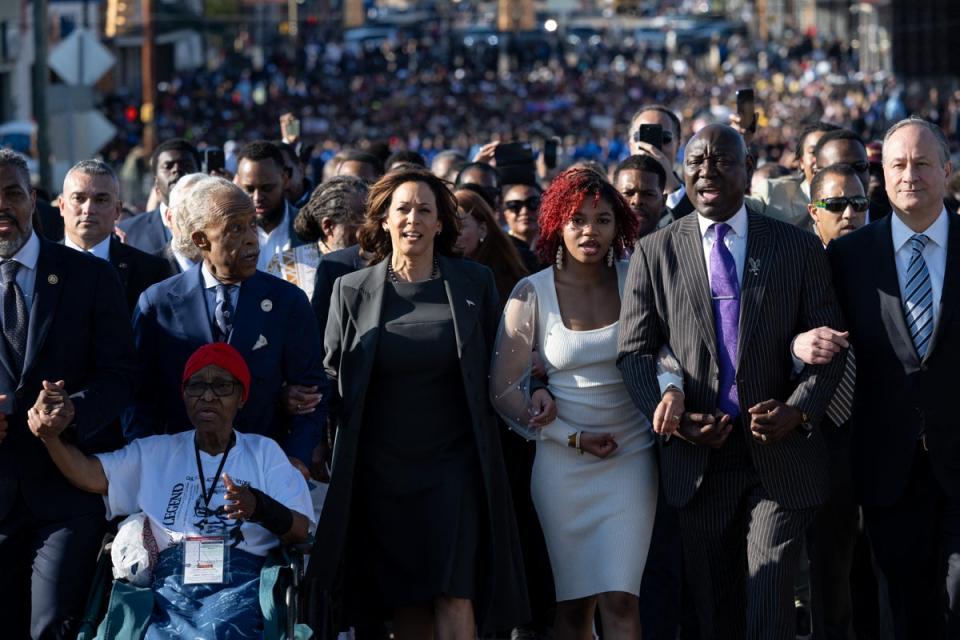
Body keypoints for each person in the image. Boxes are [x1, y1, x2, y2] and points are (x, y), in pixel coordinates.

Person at [617, 124, 846, 639]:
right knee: (715, 610)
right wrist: (672, 419)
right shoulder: (655, 253)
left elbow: (829, 348)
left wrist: (799, 408)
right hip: (700, 461)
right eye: (695, 161)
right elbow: (633, 353)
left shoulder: (794, 247)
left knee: (767, 593)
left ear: (747, 169)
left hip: (780, 457)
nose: (707, 171)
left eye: (721, 160)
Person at [308, 166, 529, 638]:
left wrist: (539, 391)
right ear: (383, 220)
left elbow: (501, 369)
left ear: (439, 223)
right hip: (382, 469)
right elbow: (329, 373)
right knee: (406, 601)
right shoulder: (351, 290)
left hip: (456, 465)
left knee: (456, 592)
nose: (413, 219)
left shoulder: (475, 283)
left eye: (424, 210)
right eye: (402, 209)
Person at [30, 342, 314, 639]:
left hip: (239, 584)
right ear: (184, 394)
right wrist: (51, 438)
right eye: (196, 386)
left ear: (242, 397)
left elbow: (300, 531)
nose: (207, 396)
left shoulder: (264, 453)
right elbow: (89, 474)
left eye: (222, 386)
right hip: (169, 588)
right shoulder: (156, 451)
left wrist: (260, 507)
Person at [491, 166, 657, 639]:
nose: (590, 231)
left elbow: (666, 354)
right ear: (556, 224)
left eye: (603, 219)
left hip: (632, 456)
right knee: (573, 606)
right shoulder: (531, 292)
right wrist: (572, 436)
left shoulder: (638, 278)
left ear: (618, 226)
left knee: (622, 599)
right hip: (563, 463)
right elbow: (503, 391)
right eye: (577, 219)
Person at [827, 117, 960, 639]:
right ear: (882, 174)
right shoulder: (849, 257)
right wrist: (799, 345)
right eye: (898, 165)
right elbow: (818, 332)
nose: (911, 175)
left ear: (947, 170)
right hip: (888, 469)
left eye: (923, 164)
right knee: (907, 611)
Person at [0, 149, 138, 639]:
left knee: (51, 626)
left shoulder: (89, 276)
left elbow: (120, 376)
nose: (2, 206)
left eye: (12, 193)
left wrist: (74, 409)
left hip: (64, 492)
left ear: (34, 200)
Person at [125, 177, 327, 477]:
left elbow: (311, 393)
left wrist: (295, 459)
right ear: (200, 240)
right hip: (178, 470)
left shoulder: (288, 301)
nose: (251, 238)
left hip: (263, 472)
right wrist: (148, 462)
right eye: (235, 228)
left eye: (251, 224)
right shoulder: (158, 303)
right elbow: (135, 397)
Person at [58, 160, 172, 313]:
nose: (88, 209)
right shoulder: (40, 265)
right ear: (62, 206)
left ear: (118, 210)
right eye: (79, 198)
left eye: (101, 200)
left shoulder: (151, 271)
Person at [233, 140, 310, 273]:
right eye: (249, 189)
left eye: (267, 188)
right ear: (238, 182)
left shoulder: (310, 229)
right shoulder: (227, 234)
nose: (257, 197)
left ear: (285, 179)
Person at [748, 122, 840, 229]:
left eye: (827, 151)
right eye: (814, 152)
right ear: (801, 161)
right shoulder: (772, 193)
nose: (821, 159)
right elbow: (733, 209)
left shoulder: (857, 201)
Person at [119, 139, 201, 254]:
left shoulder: (218, 226)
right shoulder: (128, 231)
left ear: (201, 174)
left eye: (186, 165)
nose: (176, 170)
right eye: (168, 166)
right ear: (155, 180)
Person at [627, 104, 694, 220]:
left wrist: (671, 189)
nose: (652, 147)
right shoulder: (610, 200)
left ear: (678, 146)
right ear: (630, 144)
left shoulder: (698, 200)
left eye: (665, 138)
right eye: (642, 136)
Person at [158, 172, 206, 275]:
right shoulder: (145, 273)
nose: (196, 221)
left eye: (205, 212)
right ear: (169, 218)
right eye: (186, 211)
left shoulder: (237, 269)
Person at [613, 154, 668, 237]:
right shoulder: (599, 248)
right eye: (628, 193)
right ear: (613, 198)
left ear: (663, 201)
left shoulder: (678, 247)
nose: (637, 201)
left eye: (648, 194)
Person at [502, 182, 542, 254]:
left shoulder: (557, 248)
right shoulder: (498, 248)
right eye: (514, 205)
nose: (524, 211)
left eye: (533, 203)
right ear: (505, 214)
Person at [277, 141, 313, 209]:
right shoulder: (255, 214)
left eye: (286, 173)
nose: (282, 182)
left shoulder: (323, 204)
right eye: (273, 176)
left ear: (301, 170)